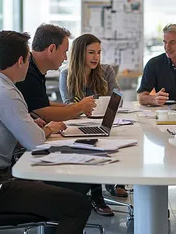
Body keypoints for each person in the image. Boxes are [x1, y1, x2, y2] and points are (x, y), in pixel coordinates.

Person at [0, 30, 91, 234]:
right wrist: (46, 128)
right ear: (20, 61)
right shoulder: (6, 93)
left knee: (70, 185)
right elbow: (35, 141)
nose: (29, 64)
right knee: (78, 205)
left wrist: (34, 125)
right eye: (28, 59)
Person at [59, 33, 128, 216]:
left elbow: (118, 99)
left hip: (104, 122)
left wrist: (87, 105)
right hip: (79, 125)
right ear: (80, 54)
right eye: (91, 53)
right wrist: (81, 105)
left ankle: (112, 182)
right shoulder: (66, 74)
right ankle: (97, 195)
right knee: (91, 146)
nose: (96, 57)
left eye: (98, 52)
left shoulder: (106, 71)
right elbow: (68, 106)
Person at [16, 24, 96, 121]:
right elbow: (44, 113)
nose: (65, 57)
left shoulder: (36, 70)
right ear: (51, 49)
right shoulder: (27, 72)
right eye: (64, 52)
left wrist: (76, 107)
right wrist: (79, 107)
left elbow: (44, 104)